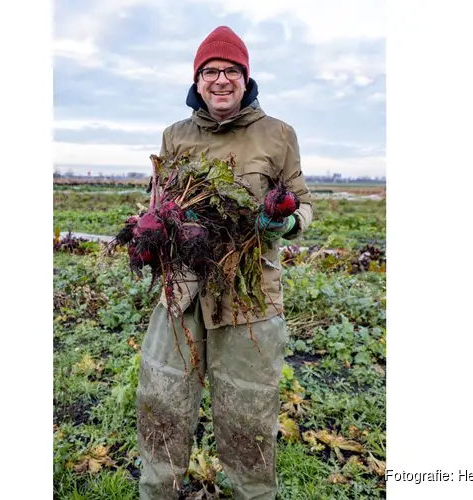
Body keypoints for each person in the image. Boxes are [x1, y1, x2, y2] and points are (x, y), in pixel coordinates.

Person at [135, 25, 313, 500]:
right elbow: (158, 200)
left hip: (248, 297)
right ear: (196, 81)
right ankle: (157, 492)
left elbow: (304, 204)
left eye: (231, 71)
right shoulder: (175, 135)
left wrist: (285, 222)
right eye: (210, 71)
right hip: (183, 294)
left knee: (247, 418)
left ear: (246, 79)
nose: (220, 80)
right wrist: (152, 230)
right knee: (162, 406)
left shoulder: (278, 134)